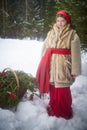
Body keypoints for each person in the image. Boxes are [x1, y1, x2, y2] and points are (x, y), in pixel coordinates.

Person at [36, 10, 81, 119]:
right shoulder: (51, 32)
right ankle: (54, 107)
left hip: (64, 66)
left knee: (62, 89)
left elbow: (76, 54)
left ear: (67, 21)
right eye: (58, 20)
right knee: (53, 88)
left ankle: (63, 110)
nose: (60, 23)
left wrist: (75, 70)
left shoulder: (72, 34)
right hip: (51, 64)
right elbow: (45, 47)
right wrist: (43, 61)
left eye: (62, 20)